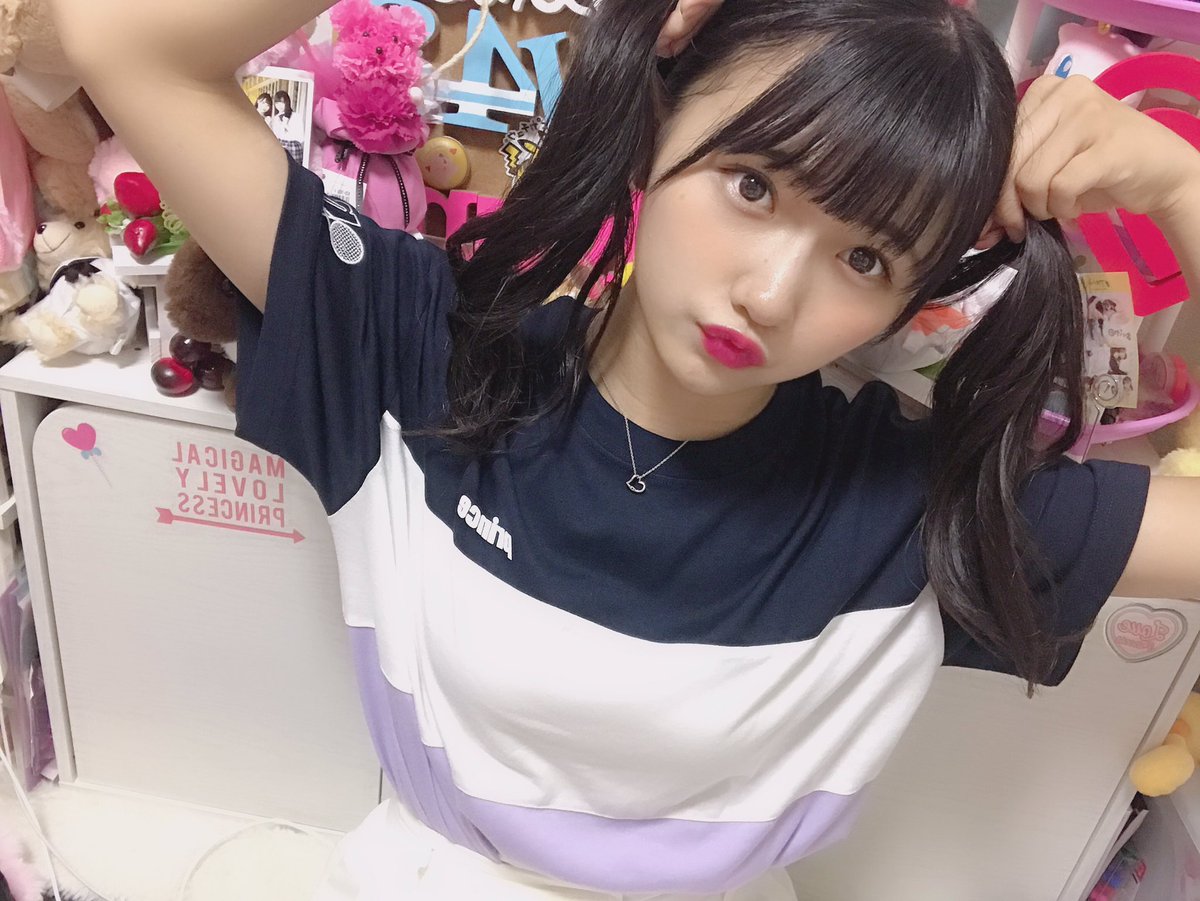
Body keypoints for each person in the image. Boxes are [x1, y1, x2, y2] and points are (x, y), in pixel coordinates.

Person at [48, 0, 1200, 898]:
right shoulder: (420, 349)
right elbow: (118, 40)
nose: (770, 291)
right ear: (656, 130)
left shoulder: (908, 501)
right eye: (751, 185)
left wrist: (1181, 181)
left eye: (866, 259)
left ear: (910, 300)